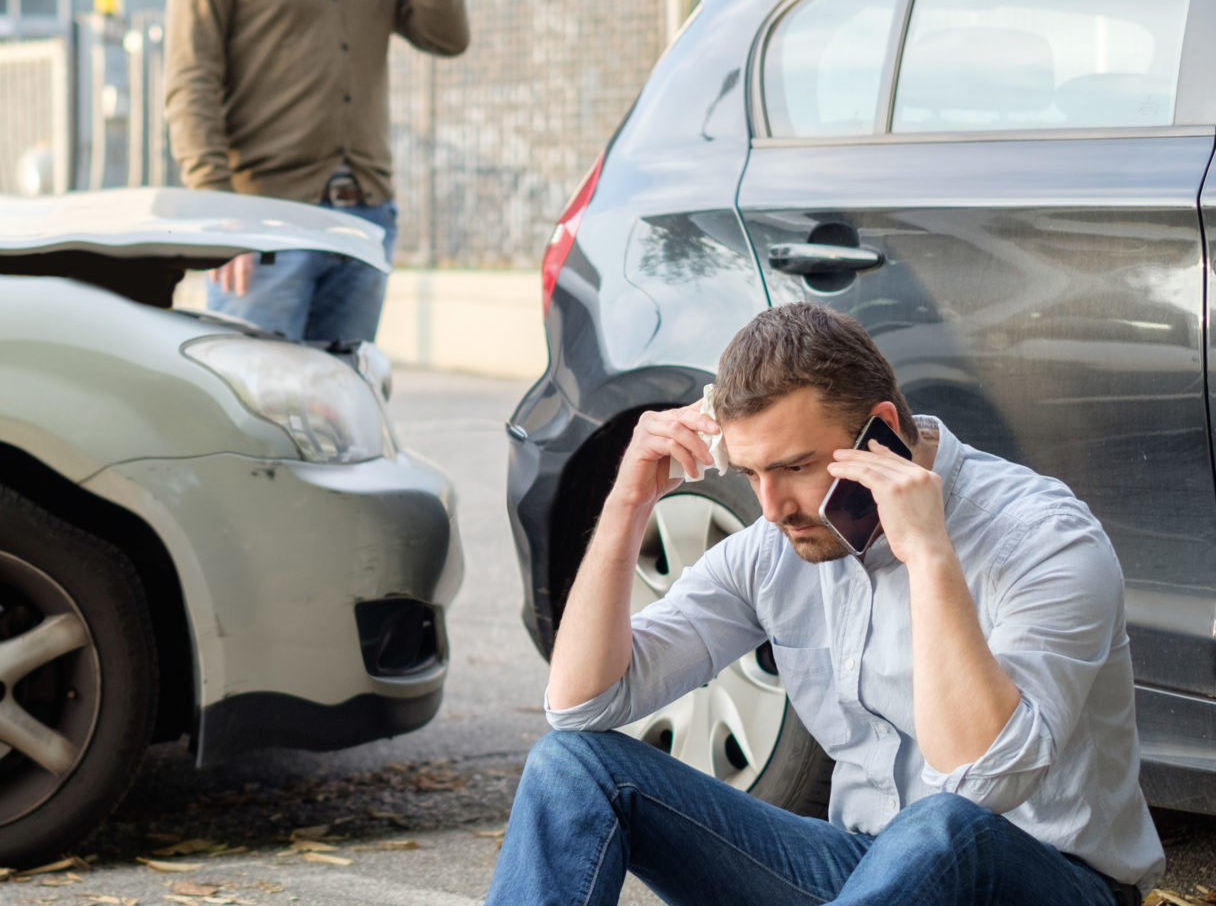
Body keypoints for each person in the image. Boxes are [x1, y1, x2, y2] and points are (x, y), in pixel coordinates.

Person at [486, 302, 1161, 906]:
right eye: (751, 473)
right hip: (863, 872)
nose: (772, 507)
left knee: (942, 827)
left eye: (795, 467)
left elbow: (980, 780)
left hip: (1043, 881)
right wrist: (628, 501)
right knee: (571, 766)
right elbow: (582, 704)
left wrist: (928, 555)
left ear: (882, 433)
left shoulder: (1041, 536)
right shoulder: (778, 547)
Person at [163, 0, 467, 344]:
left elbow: (448, 34)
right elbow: (190, 82)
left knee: (338, 403)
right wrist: (218, 213)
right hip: (262, 222)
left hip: (364, 220)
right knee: (256, 400)